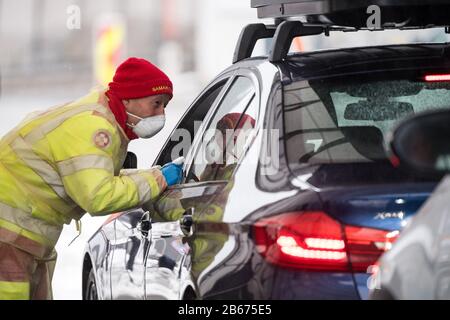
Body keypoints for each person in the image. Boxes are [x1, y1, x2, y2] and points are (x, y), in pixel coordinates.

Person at [0, 57, 183, 300]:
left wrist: (155, 174)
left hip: (22, 232)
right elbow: (99, 196)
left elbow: (99, 177)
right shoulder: (95, 129)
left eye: (165, 106)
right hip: (11, 233)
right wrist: (158, 181)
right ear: (128, 98)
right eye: (156, 103)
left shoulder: (101, 115)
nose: (161, 114)